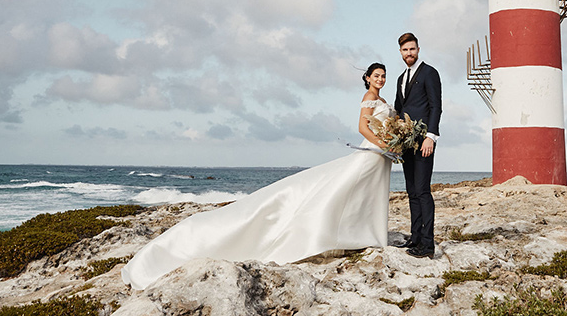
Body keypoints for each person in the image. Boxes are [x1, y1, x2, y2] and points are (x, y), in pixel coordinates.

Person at [121, 63, 396, 290]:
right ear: (367, 78)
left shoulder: (382, 99)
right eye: (376, 75)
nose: (380, 79)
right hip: (373, 151)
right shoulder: (368, 99)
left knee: (364, 193)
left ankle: (365, 233)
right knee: (343, 189)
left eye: (383, 76)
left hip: (382, 154)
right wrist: (384, 145)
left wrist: (392, 142)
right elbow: (362, 127)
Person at [394, 32, 441, 258]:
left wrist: (431, 136)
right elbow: (399, 110)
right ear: (400, 52)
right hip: (406, 144)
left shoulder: (430, 73)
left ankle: (428, 245)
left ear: (418, 49)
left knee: (423, 191)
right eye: (405, 50)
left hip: (424, 142)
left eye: (412, 49)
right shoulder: (400, 78)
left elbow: (435, 106)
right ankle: (415, 238)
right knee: (412, 191)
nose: (409, 53)